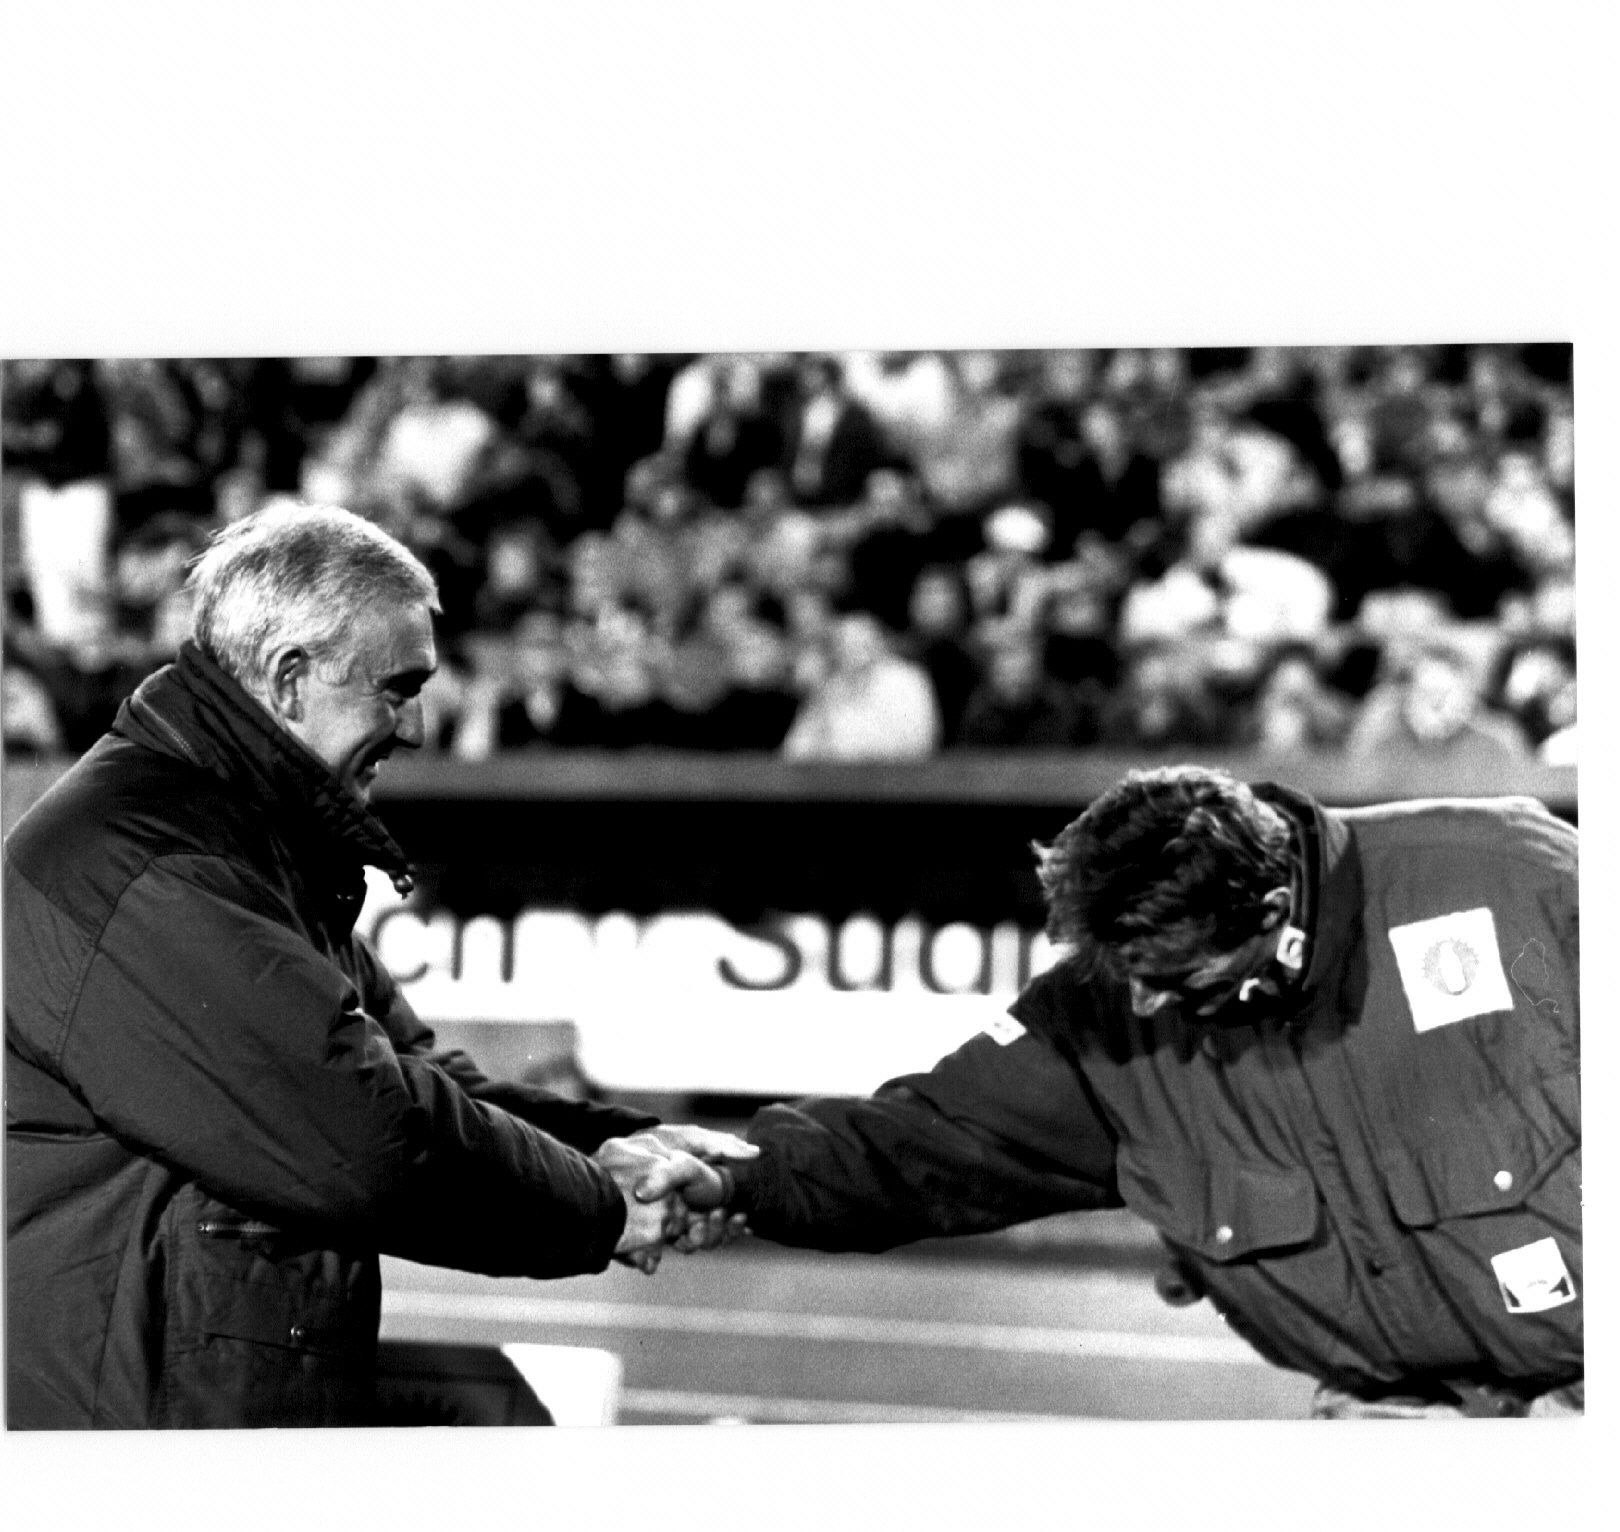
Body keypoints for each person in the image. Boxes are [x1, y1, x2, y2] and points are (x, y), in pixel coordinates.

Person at [4, 503, 748, 1429]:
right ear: (290, 679)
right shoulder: (152, 864)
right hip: (136, 1431)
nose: (418, 727)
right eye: (396, 688)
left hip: (188, 1398)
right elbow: (365, 1135)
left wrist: (619, 1146)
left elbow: (421, 1080)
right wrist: (601, 1206)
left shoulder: (239, 844)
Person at [668, 765, 1581, 1419]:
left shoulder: (1513, 878)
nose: (1142, 1005)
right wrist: (744, 1175)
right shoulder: (1110, 1011)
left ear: (1270, 917)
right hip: (1388, 1424)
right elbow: (920, 1143)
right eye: (1123, 974)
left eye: (1176, 981)